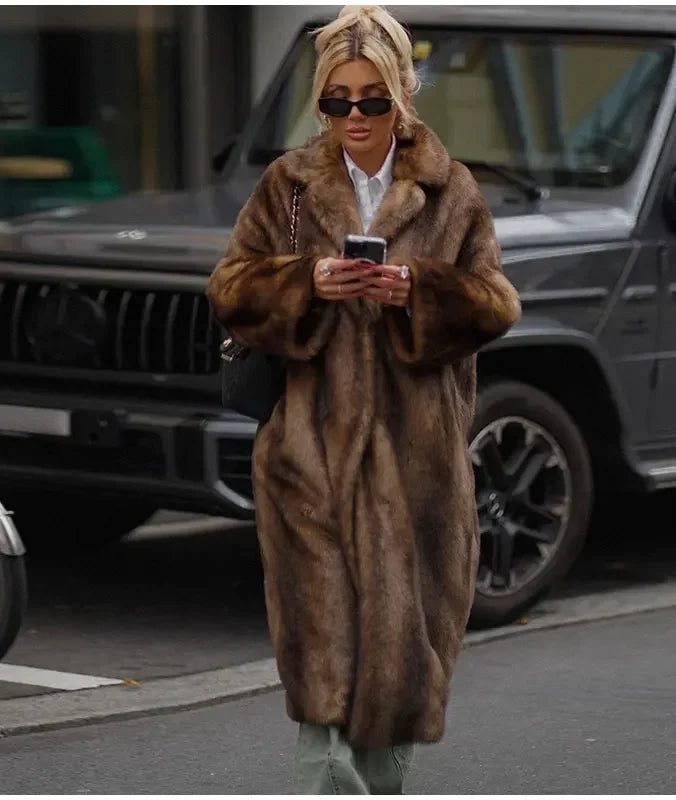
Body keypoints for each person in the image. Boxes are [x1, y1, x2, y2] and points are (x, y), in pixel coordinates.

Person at [207, 5, 521, 794]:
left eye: (372, 99)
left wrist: (417, 292)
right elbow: (230, 288)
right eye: (336, 99)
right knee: (325, 651)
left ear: (402, 95)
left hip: (417, 459)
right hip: (308, 455)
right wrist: (304, 282)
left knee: (402, 654)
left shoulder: (450, 190)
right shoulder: (288, 186)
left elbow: (495, 303)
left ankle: (381, 785)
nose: (354, 115)